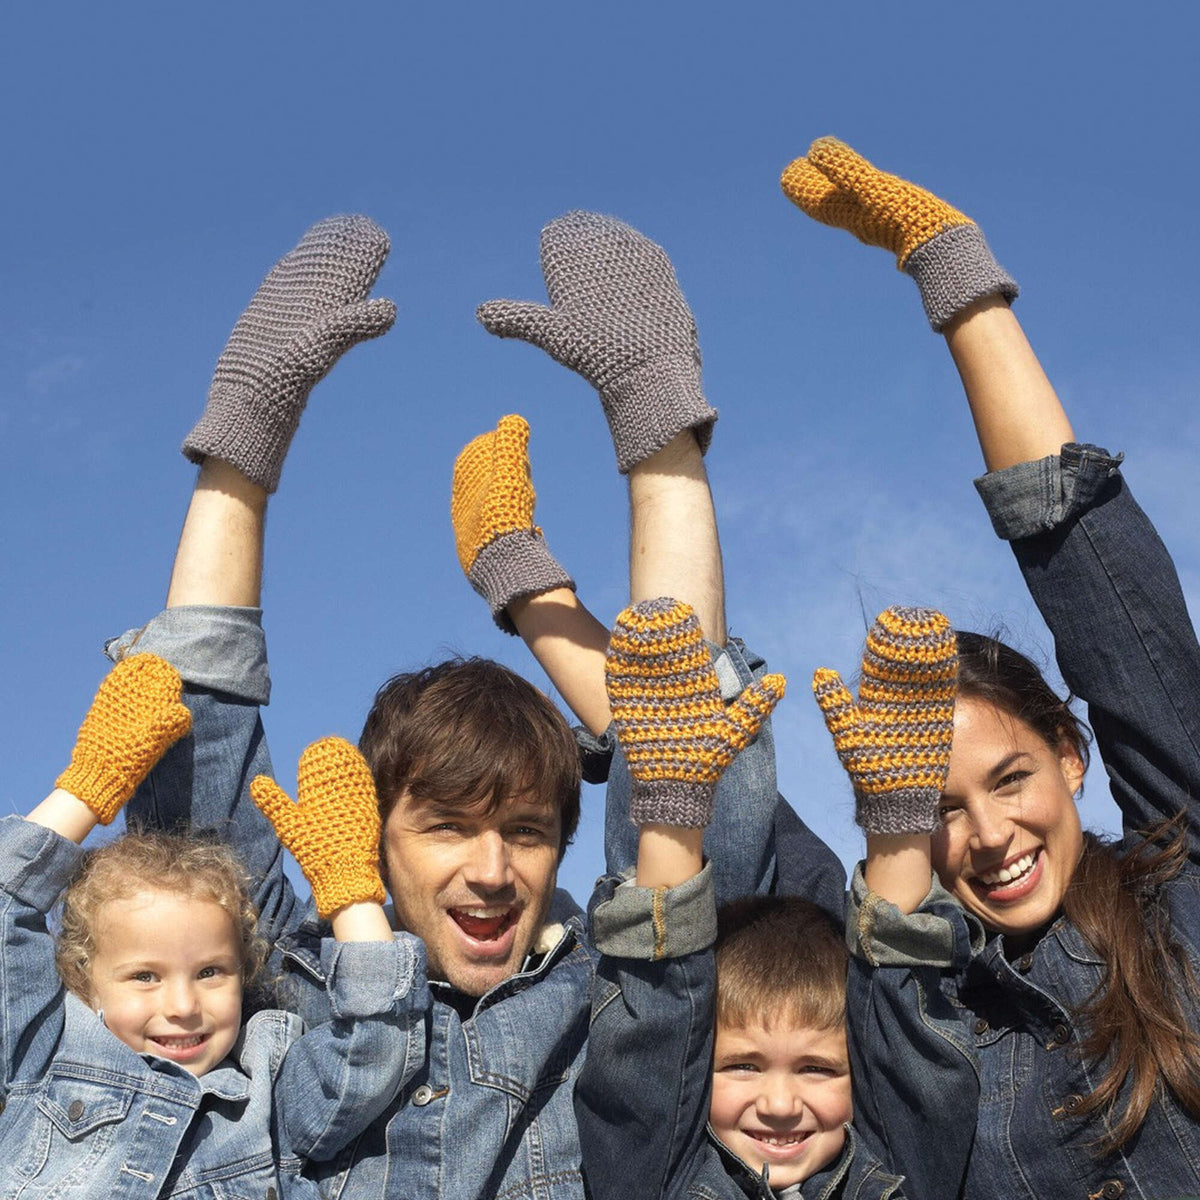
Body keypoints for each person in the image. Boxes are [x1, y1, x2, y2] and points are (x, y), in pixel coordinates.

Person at [112, 210, 791, 1197]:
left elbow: (684, 745)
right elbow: (194, 754)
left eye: (524, 829)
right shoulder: (280, 987)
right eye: (444, 826)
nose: (491, 871)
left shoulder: (604, 994)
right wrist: (246, 434)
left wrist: (658, 437)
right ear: (375, 832)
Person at [787, 138, 1200, 1199]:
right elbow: (701, 788)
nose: (987, 836)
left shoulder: (1181, 903)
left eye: (1009, 778)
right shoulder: (917, 1021)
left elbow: (1111, 605)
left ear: (1071, 754)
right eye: (936, 807)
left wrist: (956, 277)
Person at [0, 654, 416, 1197]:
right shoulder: (45, 1051)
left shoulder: (268, 1089)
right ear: (84, 977)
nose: (183, 1006)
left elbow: (372, 1050)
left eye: (210, 972)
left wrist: (352, 897)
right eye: (144, 976)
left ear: (244, 971)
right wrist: (86, 788)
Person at [572, 598, 904, 1199]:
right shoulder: (659, 1180)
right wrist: (671, 811)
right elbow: (657, 1034)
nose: (779, 1105)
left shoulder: (892, 1171)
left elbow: (907, 1041)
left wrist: (901, 827)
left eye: (819, 1067)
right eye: (742, 1065)